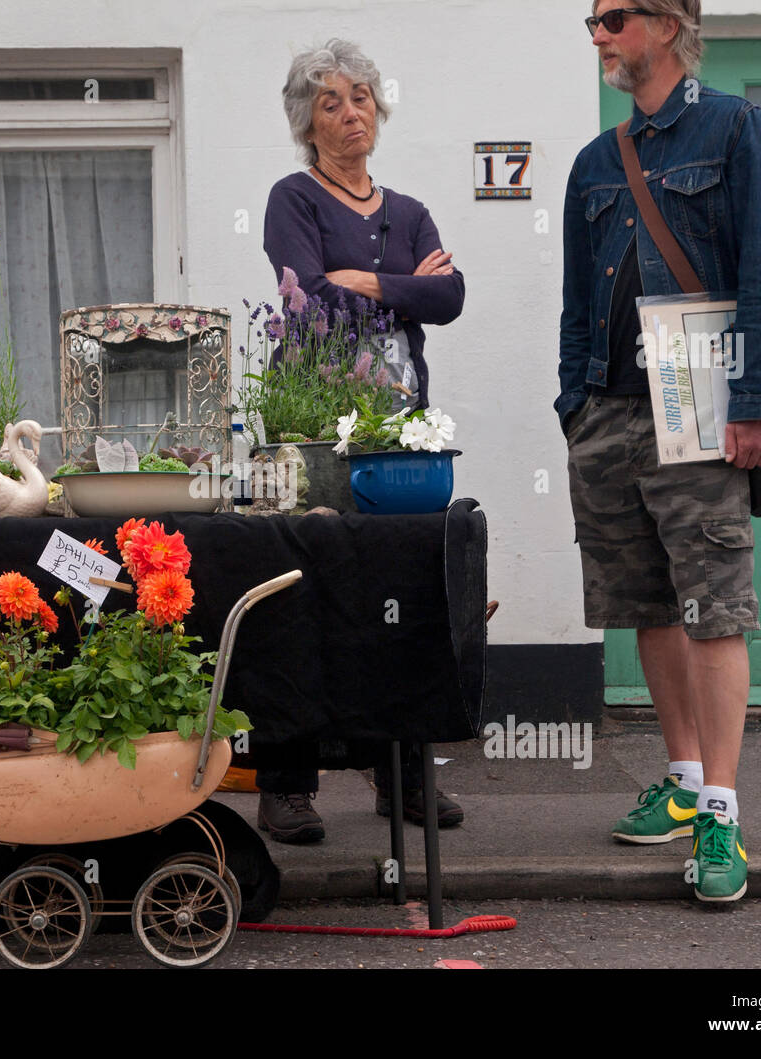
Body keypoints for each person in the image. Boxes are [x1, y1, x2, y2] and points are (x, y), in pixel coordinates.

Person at [559, 0, 761, 901]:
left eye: (614, 17)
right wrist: (572, 407)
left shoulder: (740, 129)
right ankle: (687, 781)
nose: (599, 35)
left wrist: (758, 403)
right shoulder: (594, 162)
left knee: (715, 606)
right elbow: (577, 298)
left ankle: (724, 820)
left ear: (669, 23)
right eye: (590, 21)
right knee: (650, 604)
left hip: (703, 415)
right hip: (610, 412)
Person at [256, 38, 466, 843]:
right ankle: (287, 782)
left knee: (402, 596)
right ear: (308, 121)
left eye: (363, 98)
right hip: (313, 424)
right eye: (333, 102)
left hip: (401, 427)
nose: (352, 113)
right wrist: (404, 289)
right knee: (299, 588)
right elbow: (306, 300)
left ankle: (400, 772)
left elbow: (448, 298)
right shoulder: (293, 198)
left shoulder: (407, 211)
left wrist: (371, 282)